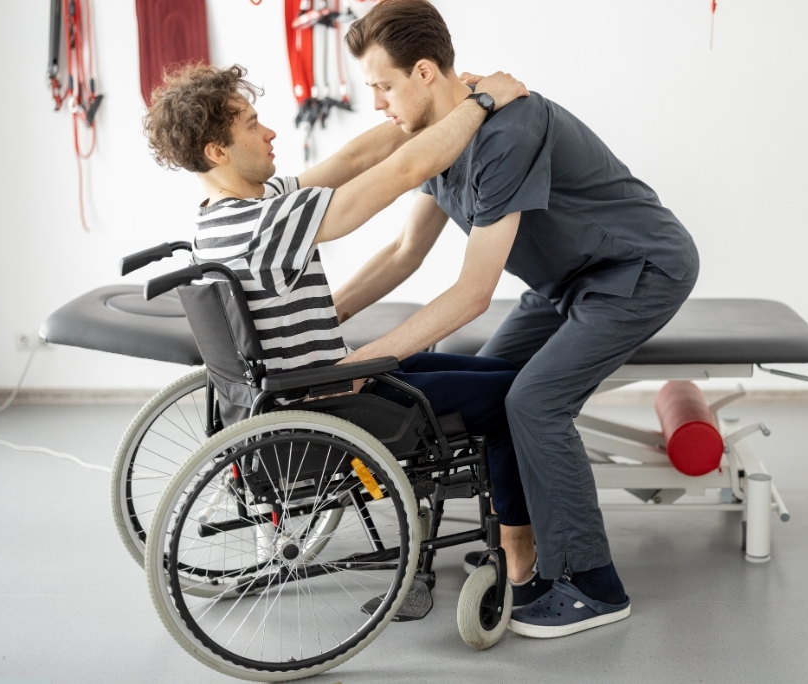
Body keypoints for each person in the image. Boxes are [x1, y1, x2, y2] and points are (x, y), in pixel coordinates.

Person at [332, 0, 700, 638]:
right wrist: (324, 317)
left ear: (424, 73)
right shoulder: (439, 138)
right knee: (488, 390)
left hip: (635, 271)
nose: (377, 104)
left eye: (383, 86)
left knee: (533, 402)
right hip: (562, 282)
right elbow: (403, 254)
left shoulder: (507, 131)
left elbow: (473, 293)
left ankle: (592, 583)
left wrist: (366, 362)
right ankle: (517, 548)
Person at [141, 63, 543, 599]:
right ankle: (521, 560)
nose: (271, 132)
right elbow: (402, 172)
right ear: (218, 151)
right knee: (520, 396)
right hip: (338, 403)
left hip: (304, 393)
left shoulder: (225, 217)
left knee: (505, 375)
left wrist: (434, 105)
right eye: (253, 124)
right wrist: (482, 103)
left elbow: (355, 158)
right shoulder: (269, 223)